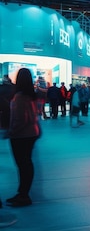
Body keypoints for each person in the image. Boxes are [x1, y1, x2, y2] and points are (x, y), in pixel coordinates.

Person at [4, 68, 41, 207]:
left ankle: (23, 195)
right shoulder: (31, 95)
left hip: (21, 136)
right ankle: (23, 193)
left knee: (22, 164)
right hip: (31, 133)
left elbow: (20, 119)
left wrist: (11, 132)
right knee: (27, 164)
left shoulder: (19, 97)